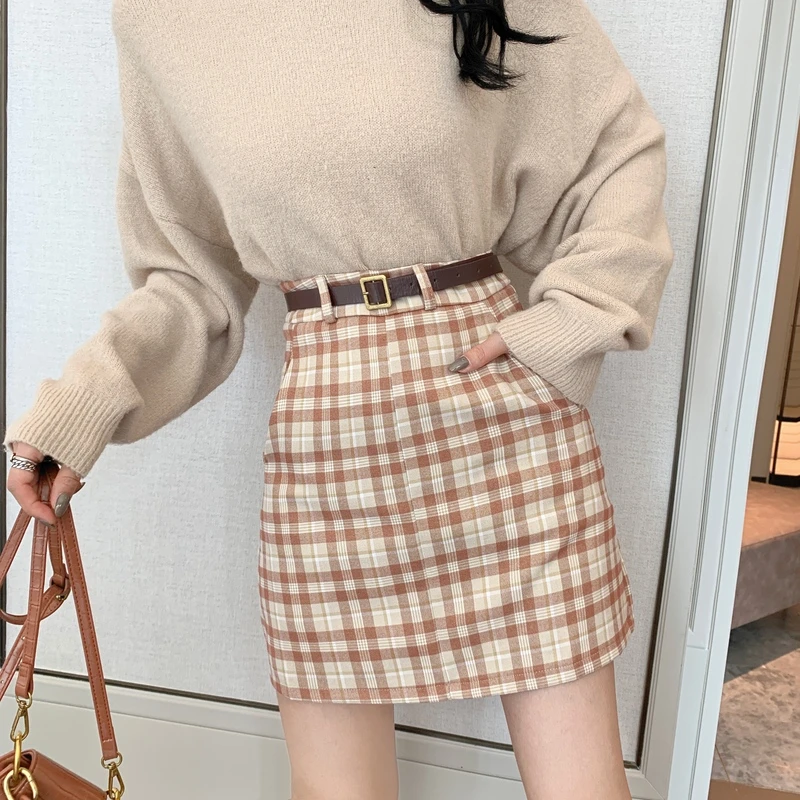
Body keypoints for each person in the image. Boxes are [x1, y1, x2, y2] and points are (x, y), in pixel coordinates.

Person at [4, 1, 674, 798]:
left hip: (504, 412)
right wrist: (82, 407)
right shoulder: (160, 17)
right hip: (328, 433)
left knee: (581, 787)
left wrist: (573, 321)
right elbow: (190, 281)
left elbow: (612, 154)